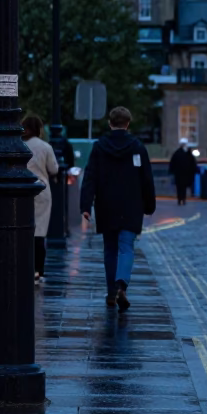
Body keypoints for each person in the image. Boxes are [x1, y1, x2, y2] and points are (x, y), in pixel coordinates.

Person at [79, 106, 156, 312]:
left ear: (110, 123)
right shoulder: (138, 147)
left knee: (110, 249)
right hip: (131, 204)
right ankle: (122, 284)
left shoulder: (99, 147)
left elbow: (90, 177)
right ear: (128, 123)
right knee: (126, 247)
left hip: (106, 204)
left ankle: (111, 291)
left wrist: (86, 205)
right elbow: (146, 179)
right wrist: (149, 205)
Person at [22, 115, 59, 284]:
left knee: (23, 229)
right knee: (40, 231)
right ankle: (39, 271)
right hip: (42, 189)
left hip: (21, 189)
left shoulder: (20, 145)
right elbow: (54, 168)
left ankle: (24, 266)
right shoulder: (45, 147)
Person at [169, 138, 196, 205]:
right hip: (184, 174)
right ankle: (182, 199)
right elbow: (193, 163)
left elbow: (172, 163)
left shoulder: (177, 153)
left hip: (180, 174)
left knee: (180, 187)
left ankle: (180, 199)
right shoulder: (188, 153)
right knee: (182, 187)